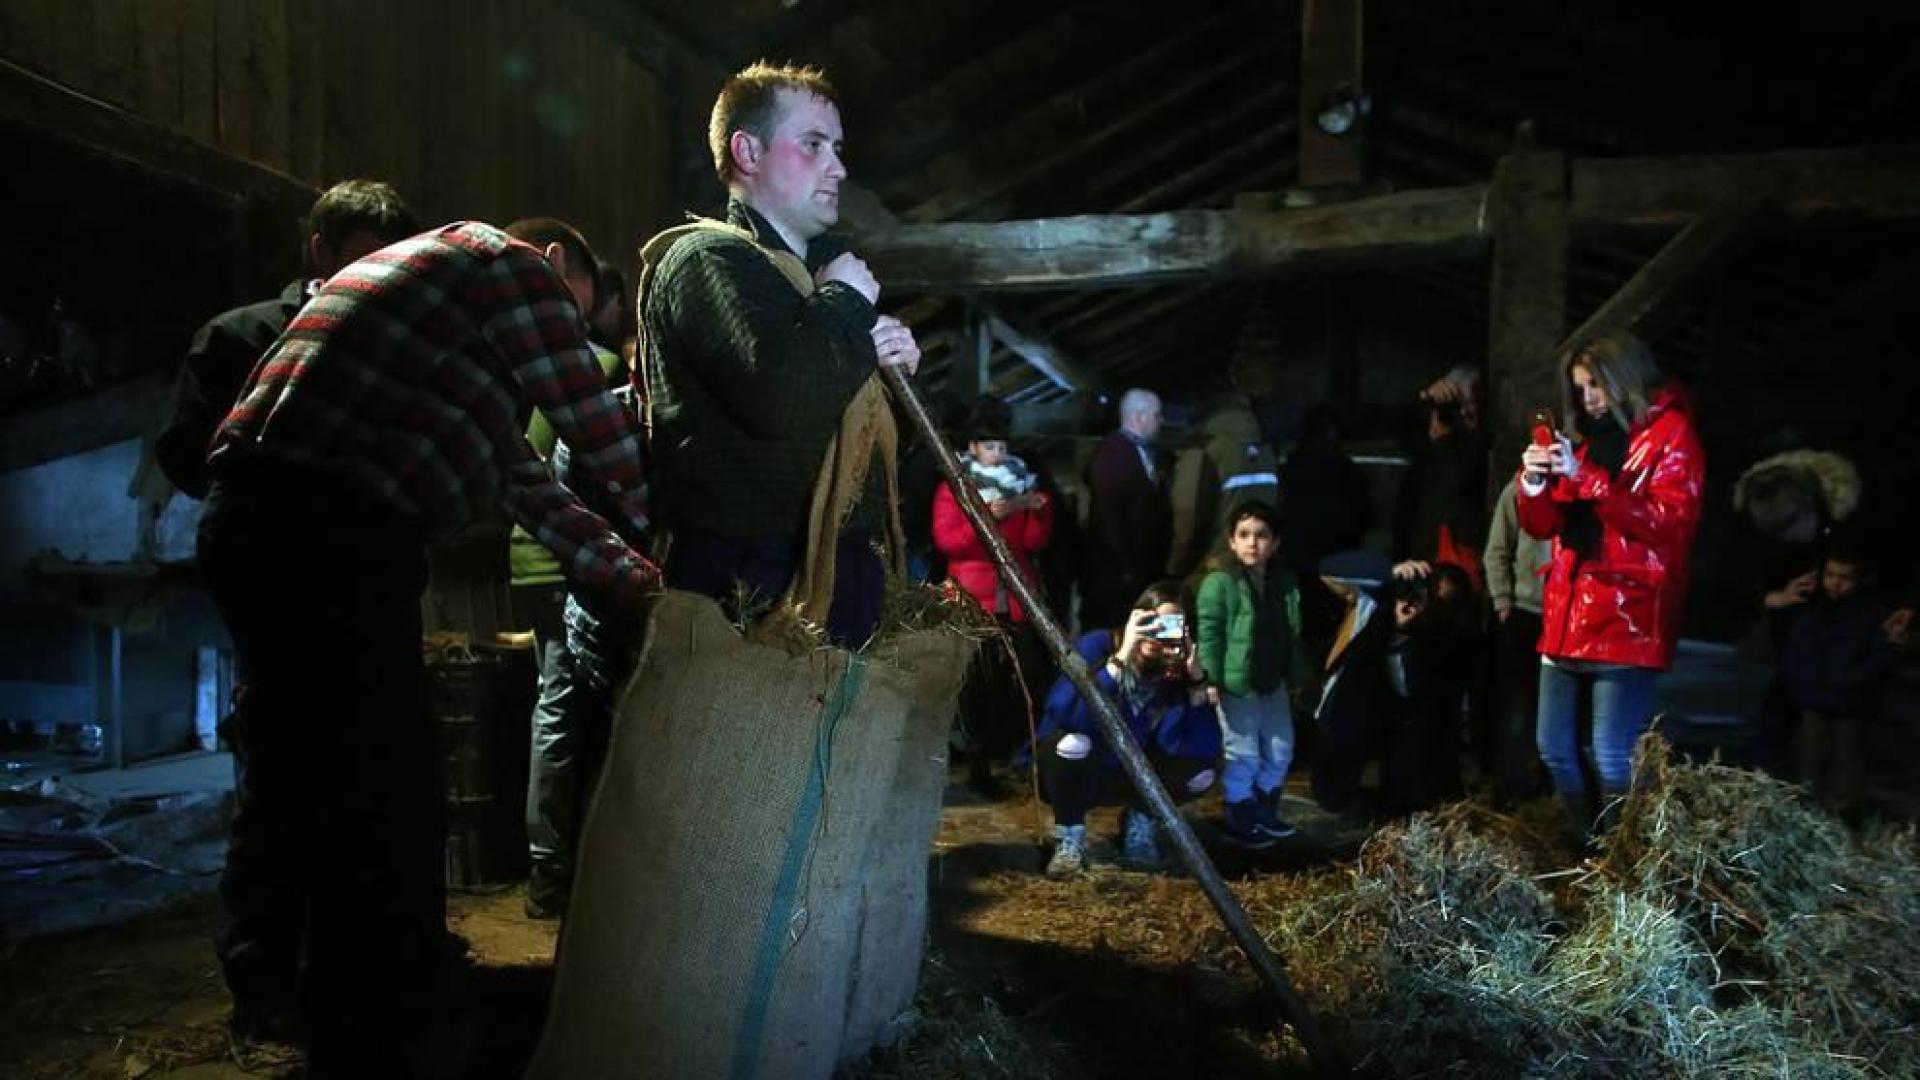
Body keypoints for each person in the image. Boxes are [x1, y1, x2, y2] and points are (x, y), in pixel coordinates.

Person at [198, 216, 657, 1074]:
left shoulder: (447, 350)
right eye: (574, 310)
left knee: (307, 759)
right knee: (371, 773)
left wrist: (639, 578)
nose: (567, 329)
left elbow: (528, 487)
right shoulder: (505, 262)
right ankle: (369, 1009)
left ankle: (304, 982)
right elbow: (591, 422)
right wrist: (666, 518)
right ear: (558, 262)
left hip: (265, 519)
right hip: (323, 525)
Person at [637, 61, 920, 647]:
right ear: (748, 152)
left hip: (839, 575)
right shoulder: (706, 262)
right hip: (752, 586)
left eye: (837, 148)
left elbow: (859, 444)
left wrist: (893, 376)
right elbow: (782, 398)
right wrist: (844, 302)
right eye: (813, 145)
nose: (838, 167)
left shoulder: (816, 278)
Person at [1517, 332, 1704, 842]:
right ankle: (1586, 842)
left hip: (1627, 614)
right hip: (1568, 611)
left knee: (1610, 752)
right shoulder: (1583, 439)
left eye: (1596, 385)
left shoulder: (1672, 436)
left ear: (1626, 377)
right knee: (1554, 747)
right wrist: (1533, 482)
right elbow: (1542, 525)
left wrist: (1589, 478)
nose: (1588, 399)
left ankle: (1621, 849)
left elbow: (1668, 524)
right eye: (1580, 388)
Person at [494, 221, 628, 920]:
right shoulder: (590, 363)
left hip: (530, 553)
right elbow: (601, 466)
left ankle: (557, 865)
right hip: (569, 556)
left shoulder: (501, 357)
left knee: (556, 706)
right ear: (561, 268)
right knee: (570, 709)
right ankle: (555, 870)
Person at [156, 179, 418, 498]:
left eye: (397, 266)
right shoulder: (238, 336)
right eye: (368, 261)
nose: (383, 278)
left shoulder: (402, 355)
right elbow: (182, 453)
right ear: (322, 252)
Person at [1035, 581, 1221, 876]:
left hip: (1133, 774)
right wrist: (1120, 659)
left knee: (1201, 774)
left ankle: (1141, 821)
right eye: (1150, 622)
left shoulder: (1174, 672)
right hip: (1084, 766)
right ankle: (1069, 835)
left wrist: (1196, 681)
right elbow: (1067, 714)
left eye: (1169, 626)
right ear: (1135, 617)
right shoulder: (1098, 646)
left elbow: (1201, 749)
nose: (1156, 634)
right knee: (1071, 742)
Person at [934, 396, 1054, 794]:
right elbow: (949, 541)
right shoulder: (955, 489)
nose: (997, 454)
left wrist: (1037, 512)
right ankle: (979, 764)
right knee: (977, 683)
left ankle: (1017, 755)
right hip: (974, 596)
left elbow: (1032, 542)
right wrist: (990, 517)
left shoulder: (1018, 481)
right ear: (973, 448)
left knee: (1021, 679)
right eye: (989, 447)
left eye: (1002, 447)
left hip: (1014, 596)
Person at [1309, 552, 1473, 818]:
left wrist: (1401, 635)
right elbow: (1327, 569)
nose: (1422, 602)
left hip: (1390, 725)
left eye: (1437, 603)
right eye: (1429, 590)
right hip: (1342, 712)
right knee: (1332, 798)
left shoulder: (1441, 640)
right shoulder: (1376, 596)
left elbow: (1408, 690)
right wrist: (1388, 571)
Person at [1194, 501, 1307, 846]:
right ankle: (1239, 815)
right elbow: (1210, 633)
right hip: (1237, 682)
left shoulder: (1283, 583)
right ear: (1231, 541)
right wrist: (1210, 678)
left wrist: (1297, 676)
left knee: (1281, 748)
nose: (1252, 543)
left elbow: (1292, 633)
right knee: (1243, 752)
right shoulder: (1220, 583)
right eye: (1243, 535)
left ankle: (1263, 808)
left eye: (1261, 535)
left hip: (1272, 680)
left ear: (1275, 542)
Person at [1781, 542, 1899, 824]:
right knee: (1810, 759)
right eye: (1831, 575)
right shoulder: (1813, 611)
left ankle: (1840, 820)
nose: (1836, 583)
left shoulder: (1871, 615)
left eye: (1845, 577)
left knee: (1847, 764)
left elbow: (1881, 657)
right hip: (1814, 699)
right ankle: (1809, 817)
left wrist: (1854, 681)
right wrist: (1801, 684)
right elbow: (1796, 650)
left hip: (1851, 703)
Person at [1481, 475, 1553, 807]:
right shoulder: (1521, 489)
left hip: (1568, 617)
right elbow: (1497, 549)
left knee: (1555, 713)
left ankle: (1550, 794)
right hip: (1526, 612)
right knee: (1517, 711)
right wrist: (1503, 601)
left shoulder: (1583, 488)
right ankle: (1511, 794)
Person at [1394, 364, 1490, 592]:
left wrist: (1444, 441)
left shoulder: (1480, 443)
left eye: (1470, 403)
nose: (1464, 411)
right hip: (1425, 551)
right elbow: (1398, 429)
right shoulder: (1431, 443)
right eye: (1458, 404)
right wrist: (1424, 398)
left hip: (1459, 561)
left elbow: (1457, 480)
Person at [1082, 388, 1172, 631]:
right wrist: (1128, 569)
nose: (1161, 421)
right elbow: (1108, 519)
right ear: (1139, 416)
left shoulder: (1134, 453)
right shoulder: (1114, 457)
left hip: (1132, 576)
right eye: (1157, 415)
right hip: (1120, 582)